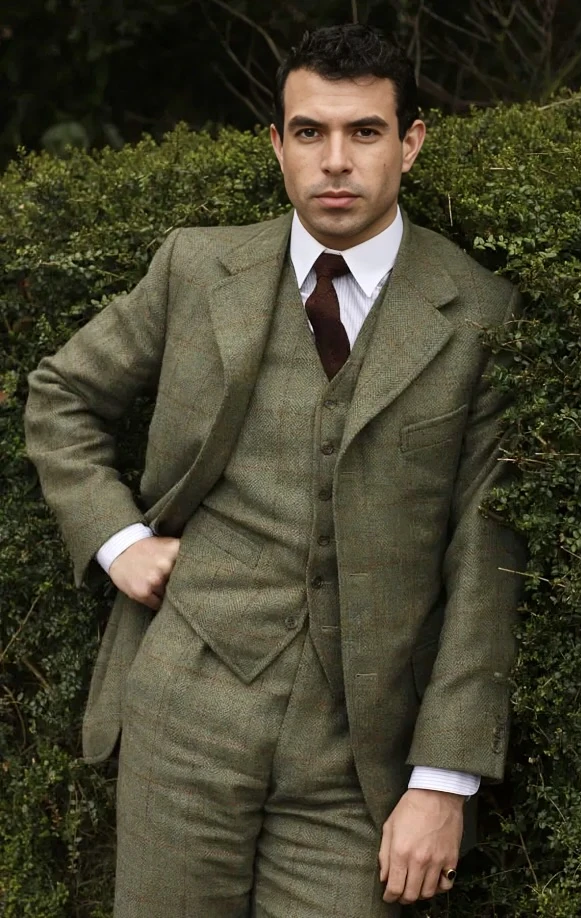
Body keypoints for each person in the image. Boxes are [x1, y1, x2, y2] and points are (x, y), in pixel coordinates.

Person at [24, 23, 525, 918]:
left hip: (359, 757)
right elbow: (61, 394)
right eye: (309, 132)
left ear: (410, 143)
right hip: (185, 714)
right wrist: (118, 540)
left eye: (364, 132)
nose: (335, 161)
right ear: (278, 144)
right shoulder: (197, 267)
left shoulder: (479, 315)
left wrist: (443, 781)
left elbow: (485, 558)